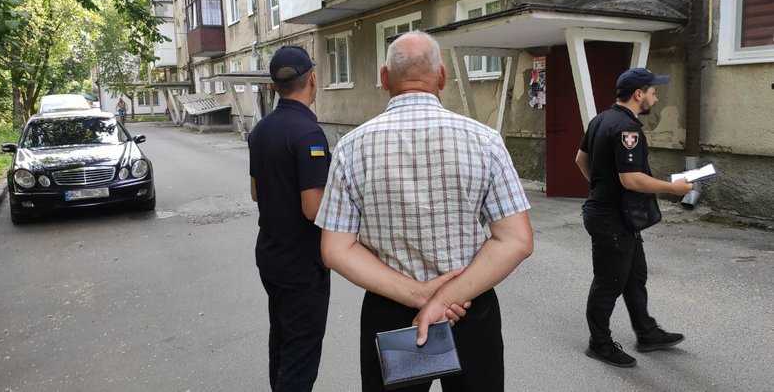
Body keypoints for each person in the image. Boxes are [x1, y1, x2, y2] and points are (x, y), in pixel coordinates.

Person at [315, 31, 534, 391]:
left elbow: (335, 249)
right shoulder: (486, 141)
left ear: (384, 78)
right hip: (468, 306)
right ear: (443, 77)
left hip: (390, 311)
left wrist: (420, 297)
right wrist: (444, 299)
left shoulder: (351, 148)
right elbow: (516, 241)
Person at [574, 67, 694, 368]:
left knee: (634, 276)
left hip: (617, 215)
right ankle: (599, 343)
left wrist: (600, 186)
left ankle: (646, 332)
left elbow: (580, 159)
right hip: (611, 218)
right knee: (609, 282)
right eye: (653, 92)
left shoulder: (601, 119)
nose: (656, 97)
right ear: (639, 94)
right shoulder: (628, 130)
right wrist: (673, 188)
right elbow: (631, 179)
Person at [247, 45, 331, 391]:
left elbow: (255, 192)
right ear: (312, 80)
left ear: (274, 86)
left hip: (271, 256)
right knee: (300, 354)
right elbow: (313, 208)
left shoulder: (260, 130)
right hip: (301, 265)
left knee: (281, 339)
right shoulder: (308, 133)